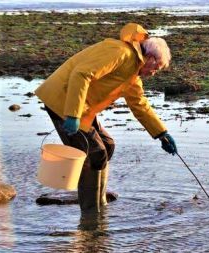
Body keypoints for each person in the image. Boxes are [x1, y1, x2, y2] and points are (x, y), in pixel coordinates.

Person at [35, 23, 177, 214]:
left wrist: (162, 134)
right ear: (150, 58)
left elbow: (140, 105)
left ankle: (99, 201)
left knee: (107, 145)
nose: (154, 73)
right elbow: (81, 74)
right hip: (62, 101)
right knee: (95, 152)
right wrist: (73, 114)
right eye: (156, 68)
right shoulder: (120, 53)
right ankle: (91, 213)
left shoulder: (133, 76)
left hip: (81, 109)